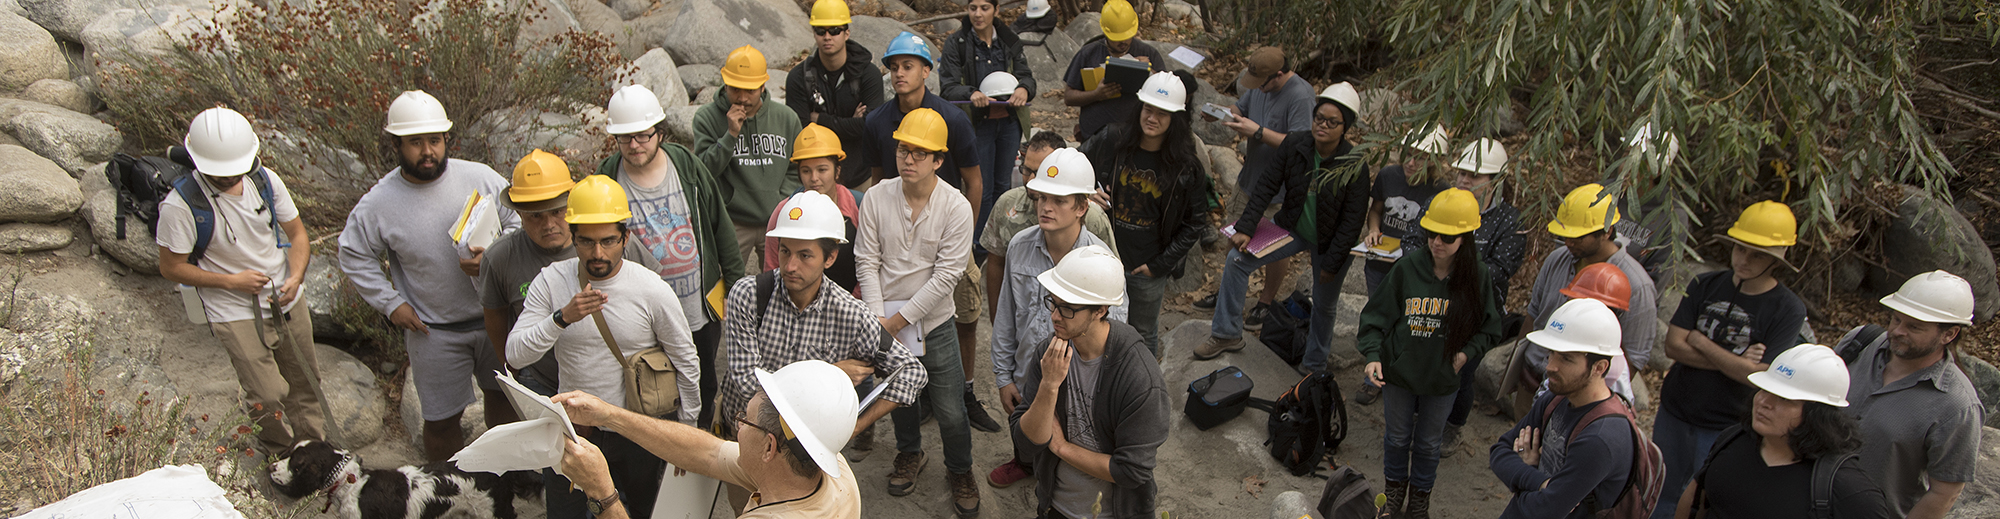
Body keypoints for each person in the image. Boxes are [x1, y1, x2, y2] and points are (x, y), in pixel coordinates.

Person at [476, 150, 665, 517]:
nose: (548, 223)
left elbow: (655, 299)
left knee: (632, 483)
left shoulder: (609, 236)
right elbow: (496, 319)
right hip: (548, 385)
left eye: (557, 212)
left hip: (618, 386)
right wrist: (516, 371)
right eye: (535, 216)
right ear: (518, 214)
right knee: (566, 486)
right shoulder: (502, 258)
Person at [338, 90, 521, 461]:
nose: (427, 152)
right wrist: (392, 305)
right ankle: (449, 491)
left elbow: (518, 222)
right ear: (396, 144)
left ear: (446, 140)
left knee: (504, 403)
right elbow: (353, 253)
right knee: (440, 422)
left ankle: (509, 481)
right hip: (433, 330)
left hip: (496, 319)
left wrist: (494, 258)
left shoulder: (481, 177)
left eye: (434, 141)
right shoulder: (380, 203)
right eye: (415, 143)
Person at [506, 176, 701, 517]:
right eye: (586, 242)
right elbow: (515, 354)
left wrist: (687, 431)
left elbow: (685, 358)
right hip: (575, 431)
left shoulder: (650, 288)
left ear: (625, 237)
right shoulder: (552, 282)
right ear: (572, 236)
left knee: (642, 511)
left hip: (638, 431)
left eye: (609, 241)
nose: (598, 254)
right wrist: (562, 318)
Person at [156, 107, 321, 455]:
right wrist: (232, 282)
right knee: (267, 394)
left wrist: (295, 276)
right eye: (220, 174)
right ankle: (277, 451)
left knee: (305, 382)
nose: (230, 178)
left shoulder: (265, 181)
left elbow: (297, 234)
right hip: (233, 307)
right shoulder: (181, 206)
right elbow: (171, 267)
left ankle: (314, 451)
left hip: (284, 297)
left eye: (236, 170)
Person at [861, 32, 999, 434]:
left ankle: (964, 392)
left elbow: (974, 182)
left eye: (908, 66)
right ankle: (916, 397)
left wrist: (967, 242)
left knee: (962, 314)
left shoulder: (951, 118)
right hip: (902, 227)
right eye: (894, 66)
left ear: (926, 70)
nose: (899, 74)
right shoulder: (877, 121)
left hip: (950, 226)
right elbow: (876, 179)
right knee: (906, 322)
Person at [855, 107, 983, 517]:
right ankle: (910, 454)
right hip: (885, 317)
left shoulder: (956, 207)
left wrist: (895, 323)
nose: (908, 159)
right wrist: (878, 318)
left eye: (920, 153)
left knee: (949, 407)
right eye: (903, 150)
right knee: (901, 399)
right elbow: (866, 260)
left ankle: (960, 469)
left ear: (939, 160)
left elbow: (947, 277)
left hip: (936, 322)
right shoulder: (877, 197)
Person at [1196, 83, 1371, 377]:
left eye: (1332, 122)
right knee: (1237, 260)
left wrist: (1333, 261)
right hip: (1292, 226)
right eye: (1319, 118)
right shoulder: (1296, 144)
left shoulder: (1354, 164)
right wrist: (1246, 227)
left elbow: (1353, 221)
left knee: (1325, 304)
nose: (1322, 126)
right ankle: (1227, 333)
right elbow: (1266, 185)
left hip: (1330, 242)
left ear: (1345, 127)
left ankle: (1314, 363)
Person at [600, 84, 747, 429]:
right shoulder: (606, 177)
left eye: (642, 136)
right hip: (640, 314)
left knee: (702, 381)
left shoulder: (687, 166)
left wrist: (737, 288)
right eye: (625, 139)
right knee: (649, 388)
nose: (634, 146)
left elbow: (719, 226)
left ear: (660, 133)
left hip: (697, 308)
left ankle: (697, 459)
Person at [1652, 200, 1809, 519]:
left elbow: (1761, 376)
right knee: (1659, 492)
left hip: (1726, 423)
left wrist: (1700, 340)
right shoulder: (1704, 284)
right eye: (1740, 250)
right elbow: (1673, 346)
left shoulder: (1788, 309)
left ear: (1776, 260)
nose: (1744, 260)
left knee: (1707, 499)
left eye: (1758, 255)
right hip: (1675, 410)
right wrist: (1738, 361)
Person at [1356, 188, 1504, 519]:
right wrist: (1372, 355)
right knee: (1396, 438)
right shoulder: (1407, 268)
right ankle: (1393, 492)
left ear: (1465, 239)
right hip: (1400, 373)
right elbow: (1374, 319)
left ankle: (1420, 500)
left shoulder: (1477, 277)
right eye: (1431, 233)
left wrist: (1467, 354)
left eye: (1447, 238)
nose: (1437, 242)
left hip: (1442, 378)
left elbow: (1491, 328)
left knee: (1427, 444)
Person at [556, 360, 863, 519]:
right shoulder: (828, 462)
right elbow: (708, 452)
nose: (736, 426)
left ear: (769, 447)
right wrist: (608, 415)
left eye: (743, 419)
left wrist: (602, 493)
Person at [987, 148, 1126, 489]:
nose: (1046, 207)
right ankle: (1024, 462)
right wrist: (1004, 378)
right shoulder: (1019, 246)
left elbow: (1117, 329)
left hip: (1078, 378)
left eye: (1059, 200)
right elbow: (1006, 314)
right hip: (1026, 372)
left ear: (1082, 207)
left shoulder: (1100, 260)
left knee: (1068, 440)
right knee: (1025, 426)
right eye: (1042, 197)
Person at [1012, 245, 1170, 518]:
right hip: (1053, 506)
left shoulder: (1139, 378)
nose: (1055, 316)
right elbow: (1026, 446)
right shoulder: (1051, 352)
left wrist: (1062, 447)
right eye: (1053, 302)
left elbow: (1131, 471)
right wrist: (1049, 386)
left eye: (1068, 309)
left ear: (1100, 310)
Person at [1497, 183, 1657, 442]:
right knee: (1524, 449)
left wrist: (1594, 401)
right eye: (1565, 235)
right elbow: (1535, 314)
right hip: (1534, 379)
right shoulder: (1557, 259)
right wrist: (1516, 369)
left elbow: (1633, 358)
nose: (1569, 242)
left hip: (1579, 398)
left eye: (1578, 237)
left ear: (1607, 231)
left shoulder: (1636, 285)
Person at [1675, 345, 1892, 519]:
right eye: (1764, 389)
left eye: (1784, 398)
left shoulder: (1847, 488)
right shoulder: (1733, 439)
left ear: (1818, 415)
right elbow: (1696, 498)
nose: (1763, 402)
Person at [1079, 71, 1211, 356]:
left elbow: (1195, 222)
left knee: (1142, 334)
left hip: (1146, 267)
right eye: (1148, 109)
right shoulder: (1112, 138)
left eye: (1163, 113)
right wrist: (1086, 191)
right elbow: (1074, 164)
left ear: (1175, 118)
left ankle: (1142, 392)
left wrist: (1160, 265)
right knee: (1092, 325)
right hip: (1101, 256)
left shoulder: (1187, 166)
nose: (1153, 118)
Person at [1189, 46, 1318, 319]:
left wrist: (1257, 132)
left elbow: (1302, 145)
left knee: (1274, 246)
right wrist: (1222, 113)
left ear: (1279, 75)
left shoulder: (1301, 96)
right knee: (1233, 232)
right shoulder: (1259, 87)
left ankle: (1266, 301)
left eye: (1262, 83)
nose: (1257, 88)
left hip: (1280, 188)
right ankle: (1227, 290)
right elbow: (1241, 108)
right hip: (1249, 180)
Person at [1846, 271, 1983, 519]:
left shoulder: (1956, 406)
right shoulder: (1859, 344)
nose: (1898, 331)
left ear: (1949, 334)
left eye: (1914, 327)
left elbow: (1944, 492)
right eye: (1896, 320)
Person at [1489, 299, 1635, 519]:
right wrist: (1539, 481)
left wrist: (1523, 474)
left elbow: (1546, 510)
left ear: (1599, 367)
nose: (1550, 366)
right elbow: (1499, 451)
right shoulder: (1555, 399)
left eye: (1566, 358)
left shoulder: (1601, 438)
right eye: (1551, 353)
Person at [1351, 126, 1451, 406]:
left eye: (1420, 157)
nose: (1411, 162)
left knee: (1405, 324)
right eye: (1408, 154)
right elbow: (1377, 210)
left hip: (1413, 270)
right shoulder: (1388, 175)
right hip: (1379, 264)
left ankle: (1400, 376)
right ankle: (1374, 377)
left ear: (1434, 162)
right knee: (1379, 320)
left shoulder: (1441, 191)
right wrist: (1372, 230)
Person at [982, 130, 1121, 319]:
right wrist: (996, 317)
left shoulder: (1093, 218)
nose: (1031, 180)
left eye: (1038, 173)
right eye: (1027, 170)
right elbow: (996, 263)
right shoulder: (1007, 205)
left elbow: (1111, 275)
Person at [940, 0, 1035, 258]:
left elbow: (1026, 75)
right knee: (979, 187)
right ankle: (977, 246)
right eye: (973, 8)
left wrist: (1023, 89)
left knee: (1003, 185)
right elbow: (947, 86)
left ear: (996, 10)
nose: (978, 14)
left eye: (984, 8)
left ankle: (1001, 243)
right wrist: (971, 94)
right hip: (977, 124)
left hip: (1008, 123)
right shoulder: (957, 43)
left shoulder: (1008, 39)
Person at [693, 45, 804, 264]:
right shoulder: (706, 117)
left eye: (750, 90)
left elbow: (797, 168)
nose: (742, 98)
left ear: (763, 86)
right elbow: (703, 171)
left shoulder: (786, 118)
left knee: (780, 283)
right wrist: (730, 135)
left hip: (776, 219)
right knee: (725, 286)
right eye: (735, 89)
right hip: (731, 221)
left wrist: (781, 202)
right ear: (725, 84)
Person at [787, 0, 885, 189]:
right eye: (820, 31)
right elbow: (801, 130)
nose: (827, 36)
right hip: (816, 180)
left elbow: (870, 126)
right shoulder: (799, 77)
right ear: (814, 33)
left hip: (861, 176)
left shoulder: (868, 74)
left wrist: (820, 119)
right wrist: (850, 122)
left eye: (834, 30)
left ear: (846, 33)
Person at [762, 124, 862, 293]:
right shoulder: (784, 210)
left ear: (837, 171)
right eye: (806, 171)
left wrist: (853, 305)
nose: (814, 178)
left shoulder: (860, 206)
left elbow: (871, 264)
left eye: (822, 170)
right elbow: (772, 268)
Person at [1060, 0, 1163, 142]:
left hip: (1135, 137)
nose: (1123, 42)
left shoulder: (1148, 53)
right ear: (1106, 32)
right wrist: (1096, 94)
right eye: (1117, 38)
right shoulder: (1088, 53)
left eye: (1127, 36)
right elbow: (1069, 97)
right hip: (1094, 137)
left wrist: (1150, 71)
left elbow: (1165, 94)